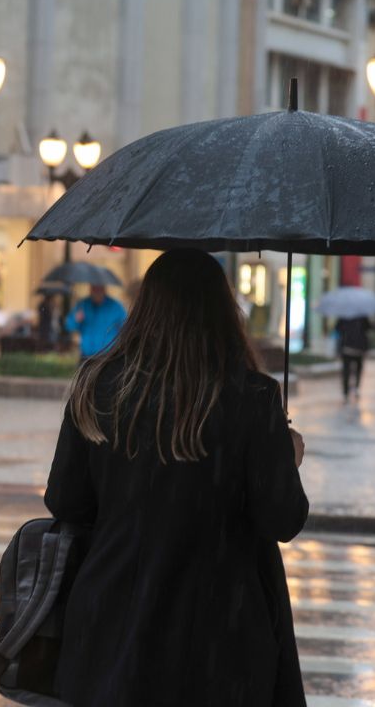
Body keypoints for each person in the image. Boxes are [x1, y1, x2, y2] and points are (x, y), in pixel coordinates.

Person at [45, 250, 309, 707]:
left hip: (112, 627)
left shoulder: (98, 385)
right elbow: (282, 519)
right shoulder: (251, 398)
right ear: (223, 312)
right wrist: (284, 456)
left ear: (145, 306)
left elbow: (66, 502)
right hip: (217, 637)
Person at [64, 283, 126, 360]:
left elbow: (125, 328)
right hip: (86, 355)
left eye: (99, 289)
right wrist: (76, 319)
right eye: (94, 289)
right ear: (90, 290)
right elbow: (69, 326)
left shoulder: (116, 306)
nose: (96, 293)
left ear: (104, 290)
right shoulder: (83, 305)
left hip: (108, 355)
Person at [335, 316, 371, 402]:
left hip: (347, 347)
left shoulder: (344, 316)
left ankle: (346, 391)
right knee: (358, 370)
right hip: (359, 348)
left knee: (346, 371)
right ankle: (356, 388)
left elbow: (337, 329)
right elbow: (368, 328)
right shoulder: (362, 316)